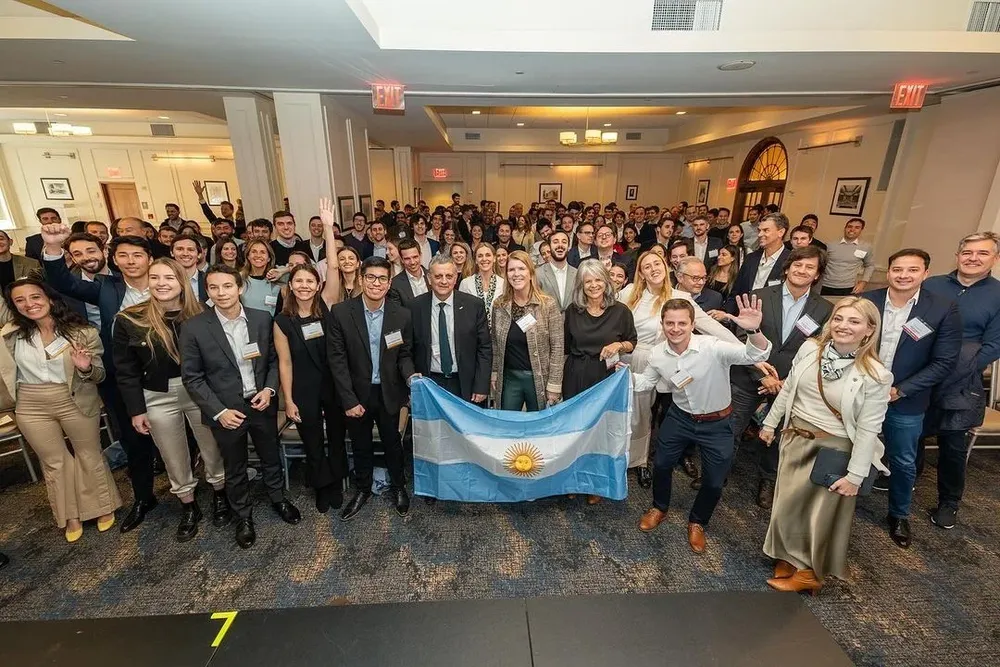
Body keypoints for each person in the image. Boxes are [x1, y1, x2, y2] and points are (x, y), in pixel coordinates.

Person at [759, 297, 892, 595]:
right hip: (795, 438)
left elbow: (869, 429)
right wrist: (770, 423)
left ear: (869, 330)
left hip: (833, 450)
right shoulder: (810, 349)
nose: (843, 326)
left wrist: (855, 476)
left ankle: (809, 574)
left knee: (817, 514)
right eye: (839, 319)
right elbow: (789, 388)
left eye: (854, 321)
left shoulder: (876, 375)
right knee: (787, 504)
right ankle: (789, 557)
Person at [39, 225, 158, 533]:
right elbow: (63, 283)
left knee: (184, 433)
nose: (131, 261)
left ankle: (193, 493)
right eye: (124, 256)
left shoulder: (166, 282)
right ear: (114, 259)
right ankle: (144, 498)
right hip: (122, 374)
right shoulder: (106, 287)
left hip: (166, 372)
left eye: (137, 255)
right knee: (132, 437)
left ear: (149, 258)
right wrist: (53, 248)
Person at [634, 296, 771, 552]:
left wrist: (754, 331)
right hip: (679, 418)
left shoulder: (713, 347)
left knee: (714, 481)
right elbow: (644, 383)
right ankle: (659, 507)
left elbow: (755, 353)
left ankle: (697, 521)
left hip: (717, 424)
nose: (675, 329)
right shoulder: (657, 354)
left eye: (682, 323)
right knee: (661, 464)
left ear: (692, 324)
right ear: (662, 325)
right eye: (670, 323)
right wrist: (621, 375)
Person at [180, 265, 301, 549]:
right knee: (235, 467)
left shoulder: (261, 318)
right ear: (207, 291)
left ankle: (278, 499)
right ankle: (243, 516)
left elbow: (273, 360)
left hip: (261, 404)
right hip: (226, 412)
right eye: (214, 287)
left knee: (270, 456)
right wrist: (219, 412)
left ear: (240, 288)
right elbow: (192, 377)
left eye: (227, 286)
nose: (221, 293)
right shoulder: (194, 327)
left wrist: (269, 390)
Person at [114, 258, 228, 542]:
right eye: (155, 277)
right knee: (171, 453)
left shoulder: (202, 313)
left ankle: (220, 493)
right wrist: (136, 410)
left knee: (212, 446)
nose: (161, 283)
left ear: (181, 281)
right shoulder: (130, 319)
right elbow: (126, 371)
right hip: (157, 395)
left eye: (169, 278)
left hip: (201, 391)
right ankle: (188, 504)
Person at [0, 278, 120, 541]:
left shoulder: (82, 332)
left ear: (50, 298)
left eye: (35, 297)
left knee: (88, 454)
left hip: (73, 397)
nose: (29, 304)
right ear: (13, 306)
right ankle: (70, 515)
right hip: (30, 403)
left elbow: (99, 375)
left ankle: (102, 506)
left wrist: (85, 367)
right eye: (20, 300)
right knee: (54, 462)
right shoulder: (10, 335)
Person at [862, 249, 961, 548]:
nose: (903, 275)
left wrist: (900, 390)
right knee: (844, 448)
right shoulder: (868, 301)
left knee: (903, 461)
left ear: (925, 273)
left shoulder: (942, 308)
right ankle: (838, 503)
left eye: (912, 270)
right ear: (889, 271)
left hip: (906, 399)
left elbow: (944, 362)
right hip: (860, 392)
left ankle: (898, 514)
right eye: (897, 269)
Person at [620, 251, 739, 489]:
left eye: (657, 263)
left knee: (657, 415)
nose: (653, 269)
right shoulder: (628, 293)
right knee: (631, 414)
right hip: (630, 357)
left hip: (666, 360)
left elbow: (710, 326)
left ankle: (642, 461)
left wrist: (745, 351)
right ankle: (623, 458)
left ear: (666, 267)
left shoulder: (679, 297)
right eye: (646, 266)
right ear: (641, 274)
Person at [728, 246, 833, 509]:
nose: (802, 270)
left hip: (791, 383)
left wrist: (788, 381)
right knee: (731, 429)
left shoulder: (824, 309)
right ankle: (719, 474)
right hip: (749, 377)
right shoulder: (759, 296)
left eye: (810, 267)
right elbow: (741, 336)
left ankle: (767, 479)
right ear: (787, 268)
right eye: (798, 265)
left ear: (817, 275)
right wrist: (760, 374)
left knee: (777, 436)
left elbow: (820, 350)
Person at [920, 231, 1000, 530]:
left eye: (982, 253)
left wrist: (955, 370)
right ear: (957, 255)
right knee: (912, 430)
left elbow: (993, 345)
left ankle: (949, 501)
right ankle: (908, 476)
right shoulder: (932, 285)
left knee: (953, 443)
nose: (973, 258)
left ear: (995, 259)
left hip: (963, 381)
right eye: (967, 252)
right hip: (922, 373)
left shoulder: (998, 295)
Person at [328, 257, 417, 521]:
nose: (376, 283)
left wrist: (411, 376)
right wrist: (348, 400)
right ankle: (363, 489)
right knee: (361, 445)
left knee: (393, 443)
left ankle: (399, 487)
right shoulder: (341, 312)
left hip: (389, 392)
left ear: (389, 284)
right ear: (361, 279)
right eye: (371, 277)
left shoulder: (402, 315)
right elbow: (337, 360)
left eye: (382, 278)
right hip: (356, 394)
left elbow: (404, 354)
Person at [274, 199, 344, 513]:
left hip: (333, 384)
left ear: (318, 285)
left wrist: (328, 228)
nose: (304, 286)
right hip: (303, 388)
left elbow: (333, 267)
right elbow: (285, 362)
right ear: (290, 285)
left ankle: (337, 481)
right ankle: (322, 486)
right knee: (312, 440)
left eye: (309, 281)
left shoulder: (326, 304)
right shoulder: (282, 321)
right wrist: (288, 400)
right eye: (299, 281)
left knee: (337, 437)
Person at [563, 261, 638, 503]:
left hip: (605, 378)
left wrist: (619, 345)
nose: (594, 285)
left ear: (606, 282)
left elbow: (632, 342)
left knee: (601, 432)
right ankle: (573, 479)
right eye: (588, 281)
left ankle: (595, 483)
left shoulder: (621, 311)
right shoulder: (573, 311)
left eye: (598, 280)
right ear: (581, 285)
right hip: (576, 374)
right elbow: (565, 346)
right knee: (575, 430)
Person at [412, 255, 492, 406]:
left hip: (466, 384)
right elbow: (408, 349)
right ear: (429, 278)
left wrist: (481, 385)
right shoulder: (415, 306)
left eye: (449, 276)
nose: (444, 281)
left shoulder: (474, 305)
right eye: (438, 276)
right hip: (429, 383)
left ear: (455, 278)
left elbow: (485, 348)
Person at [489, 250, 563, 412]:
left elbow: (557, 347)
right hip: (509, 378)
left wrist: (554, 384)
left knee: (540, 426)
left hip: (540, 379)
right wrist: (494, 372)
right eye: (511, 270)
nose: (516, 274)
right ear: (506, 274)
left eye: (521, 268)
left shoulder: (547, 305)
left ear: (531, 273)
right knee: (507, 424)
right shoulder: (499, 305)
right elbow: (494, 343)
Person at [727, 213, 790, 311]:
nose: (760, 235)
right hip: (743, 315)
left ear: (781, 232)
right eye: (759, 230)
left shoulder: (791, 262)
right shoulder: (751, 258)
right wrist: (726, 313)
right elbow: (736, 292)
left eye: (766, 230)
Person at [820, 218, 874, 296]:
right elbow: (820, 262)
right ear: (845, 228)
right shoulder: (830, 245)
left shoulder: (866, 247)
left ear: (861, 230)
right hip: (825, 285)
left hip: (848, 287)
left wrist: (863, 282)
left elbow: (870, 265)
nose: (852, 229)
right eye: (849, 226)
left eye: (857, 227)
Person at [459, 242, 505, 328]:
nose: (484, 259)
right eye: (480, 256)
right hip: (473, 332)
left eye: (488, 255)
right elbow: (461, 314)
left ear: (494, 258)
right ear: (476, 260)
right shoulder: (465, 284)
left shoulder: (503, 283)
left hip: (498, 332)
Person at [536, 231, 577, 311]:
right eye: (555, 242)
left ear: (568, 247)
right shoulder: (538, 274)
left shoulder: (577, 273)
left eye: (564, 242)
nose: (560, 245)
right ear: (550, 246)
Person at [240, 239, 282, 316]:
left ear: (269, 258)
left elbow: (298, 267)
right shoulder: (239, 279)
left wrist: (283, 271)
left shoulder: (278, 279)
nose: (258, 255)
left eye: (262, 252)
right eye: (254, 252)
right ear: (248, 256)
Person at [388, 238, 428, 311]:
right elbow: (397, 312)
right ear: (402, 260)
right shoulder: (395, 284)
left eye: (415, 257)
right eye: (407, 259)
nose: (412, 262)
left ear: (420, 255)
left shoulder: (432, 276)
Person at [170, 235, 208, 303]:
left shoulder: (208, 280)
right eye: (180, 249)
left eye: (191, 250)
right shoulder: (165, 280)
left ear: (199, 254)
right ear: (172, 253)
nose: (185, 253)